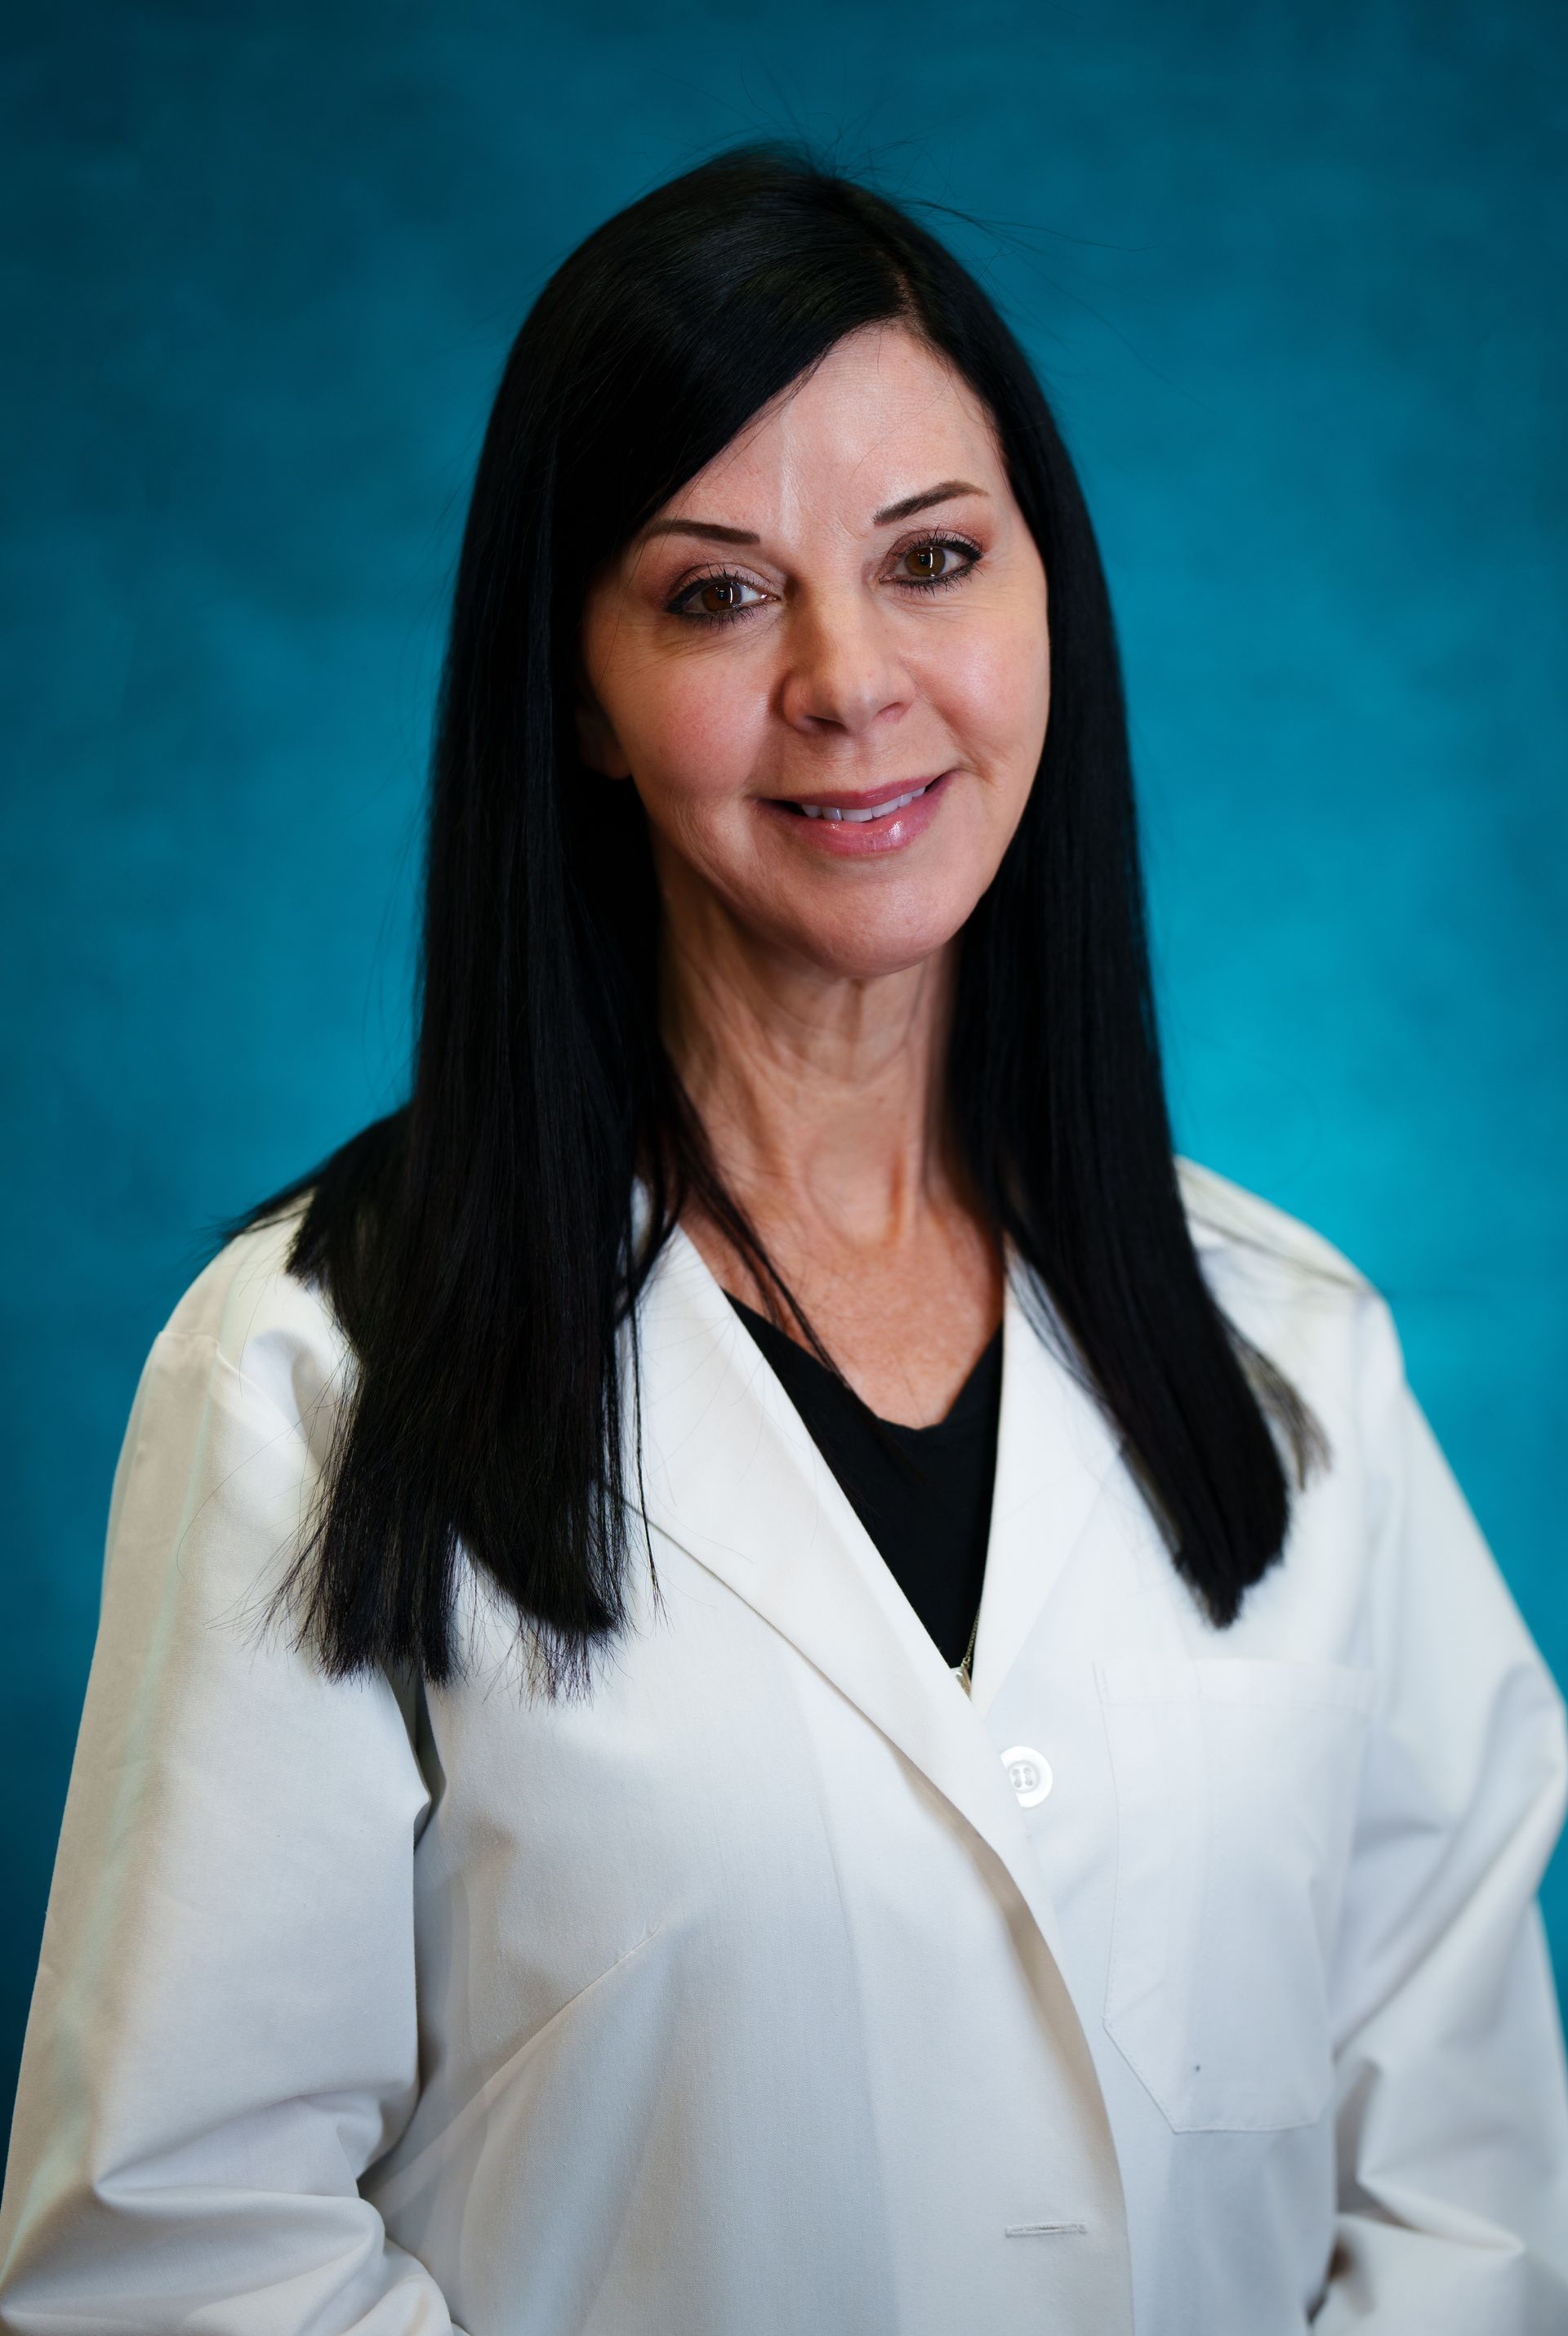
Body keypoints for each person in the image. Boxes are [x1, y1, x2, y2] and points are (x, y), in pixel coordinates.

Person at [2, 144, 1565, 2336]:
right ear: (577, 693)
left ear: (1048, 601)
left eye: (933, 558)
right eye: (718, 595)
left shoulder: (1298, 1355)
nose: (850, 678)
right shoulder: (315, 1372)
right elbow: (182, 2258)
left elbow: (1470, 2211)